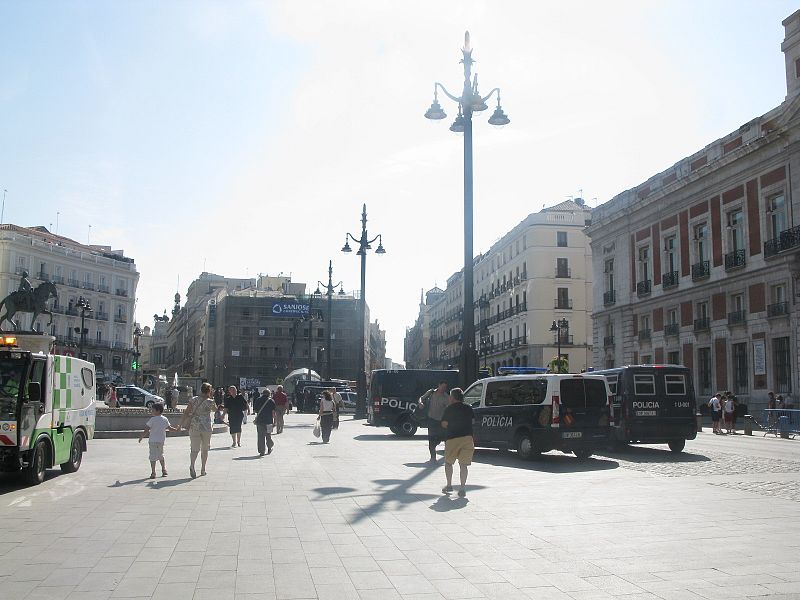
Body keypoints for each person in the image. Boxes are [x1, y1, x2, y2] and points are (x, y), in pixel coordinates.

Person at [440, 388, 474, 498]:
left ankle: (449, 485)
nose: (449, 398)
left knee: (448, 463)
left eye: (450, 396)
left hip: (452, 438)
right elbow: (473, 421)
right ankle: (462, 488)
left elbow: (444, 424)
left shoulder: (449, 409)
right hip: (467, 438)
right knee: (463, 465)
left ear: (453, 397)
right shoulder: (468, 408)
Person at [180, 382, 217, 478]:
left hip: (194, 426)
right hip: (206, 427)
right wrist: (211, 397)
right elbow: (215, 410)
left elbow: (186, 412)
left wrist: (180, 424)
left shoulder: (193, 400)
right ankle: (203, 469)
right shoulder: (210, 401)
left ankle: (192, 465)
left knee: (194, 448)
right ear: (209, 391)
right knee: (205, 448)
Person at [138, 402, 178, 479]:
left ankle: (153, 472)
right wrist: (177, 429)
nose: (151, 411)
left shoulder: (152, 419)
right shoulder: (164, 419)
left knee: (152, 456)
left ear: (158, 411)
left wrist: (141, 437)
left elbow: (146, 429)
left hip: (152, 441)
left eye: (153, 410)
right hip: (161, 440)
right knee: (161, 455)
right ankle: (164, 470)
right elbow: (169, 428)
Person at [418, 380, 450, 461]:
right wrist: (420, 403)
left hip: (441, 421)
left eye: (445, 387)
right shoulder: (431, 392)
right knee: (431, 439)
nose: (443, 389)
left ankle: (446, 454)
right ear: (439, 385)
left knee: (442, 438)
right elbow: (421, 398)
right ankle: (433, 457)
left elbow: (449, 408)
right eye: (442, 386)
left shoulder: (446, 397)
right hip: (431, 419)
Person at [253, 389, 276, 456]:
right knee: (268, 435)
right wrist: (275, 421)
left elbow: (255, 410)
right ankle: (269, 447)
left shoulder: (258, 400)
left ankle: (261, 451)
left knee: (260, 436)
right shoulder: (271, 401)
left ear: (262, 393)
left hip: (260, 421)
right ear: (269, 394)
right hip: (269, 421)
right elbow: (273, 412)